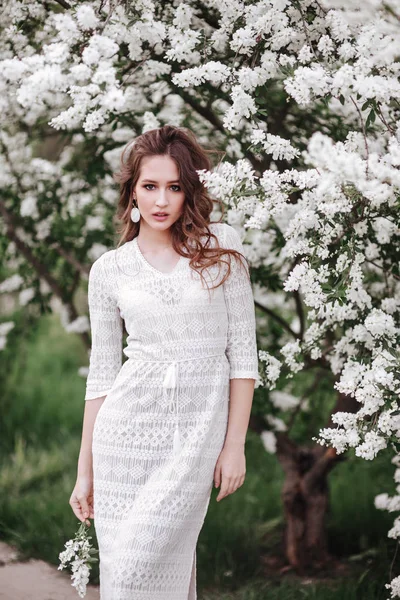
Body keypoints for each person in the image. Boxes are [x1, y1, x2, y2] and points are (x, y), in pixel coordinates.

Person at [69, 125, 259, 599]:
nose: (161, 200)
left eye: (174, 187)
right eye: (150, 186)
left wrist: (234, 445)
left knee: (150, 563)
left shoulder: (222, 249)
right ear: (132, 190)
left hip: (195, 434)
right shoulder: (110, 270)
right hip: (125, 436)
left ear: (190, 190)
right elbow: (103, 375)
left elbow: (243, 357)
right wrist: (85, 470)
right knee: (125, 576)